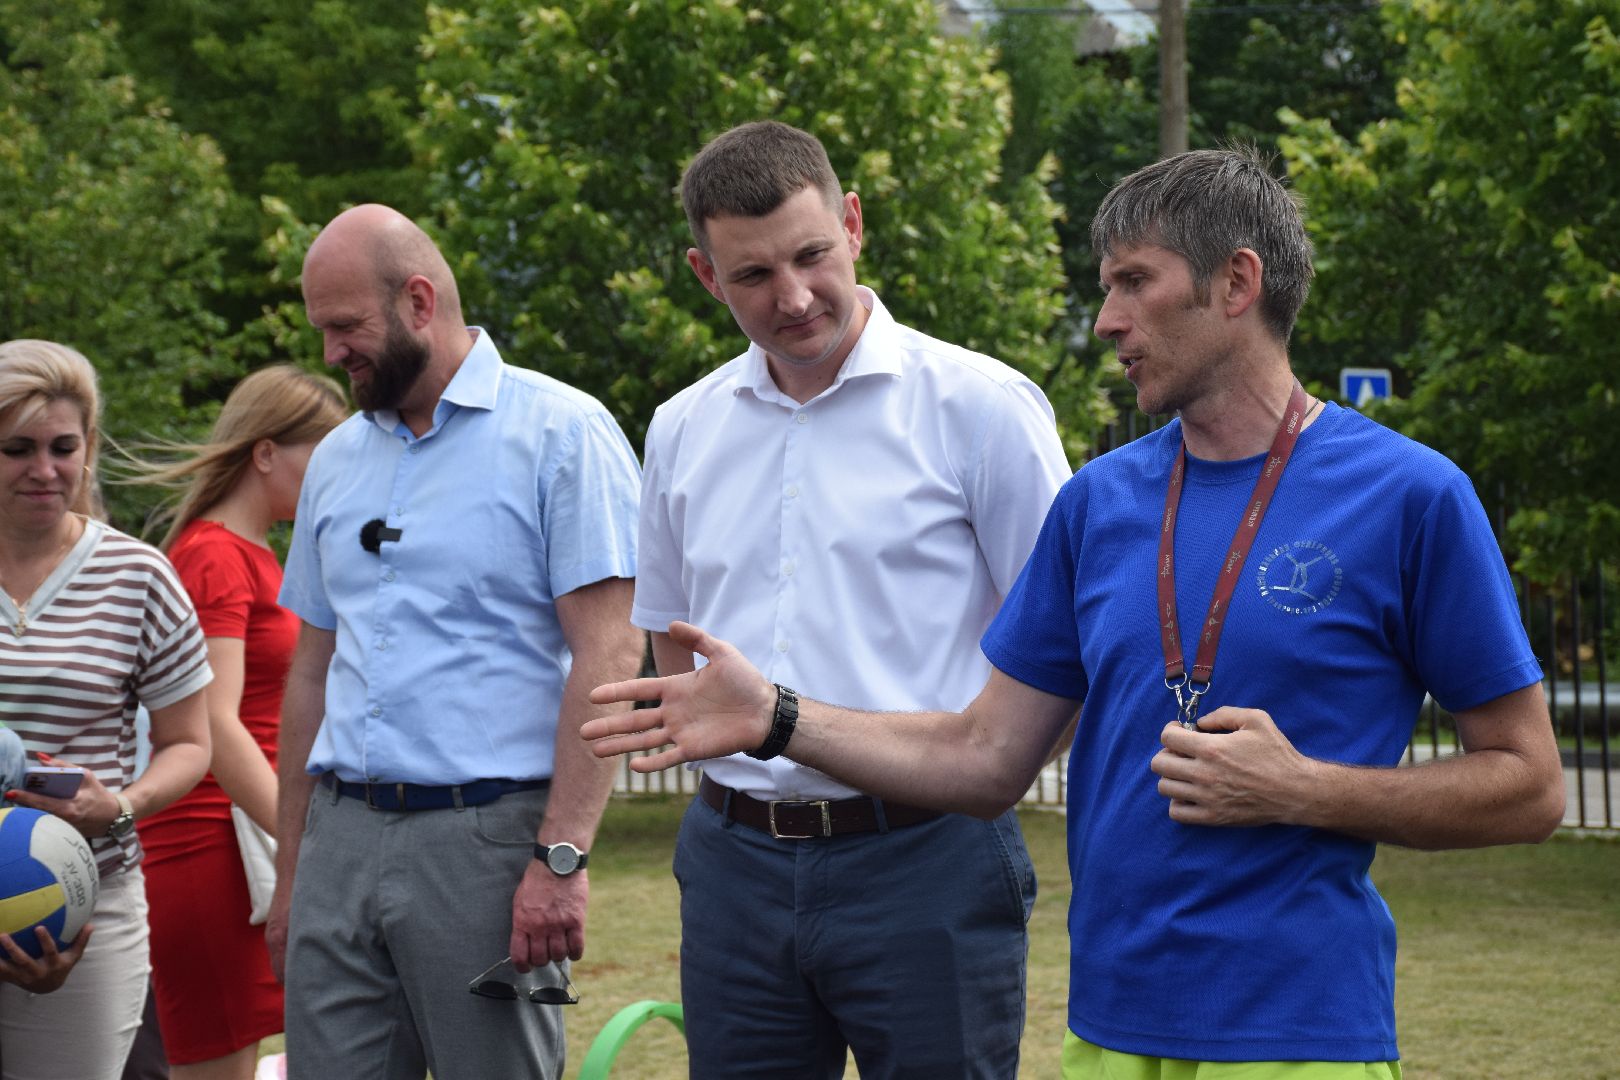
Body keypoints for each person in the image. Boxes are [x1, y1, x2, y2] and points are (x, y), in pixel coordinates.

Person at [583, 148, 1568, 1078]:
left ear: (1236, 283)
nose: (1105, 321)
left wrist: (1307, 789)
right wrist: (776, 716)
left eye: (1133, 283)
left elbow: (1530, 787)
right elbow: (986, 758)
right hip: (1109, 1023)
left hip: (1302, 1023)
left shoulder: (1410, 496)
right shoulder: (1098, 502)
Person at [630, 120, 1071, 1078]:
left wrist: (961, 770)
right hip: (734, 865)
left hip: (928, 860)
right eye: (752, 275)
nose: (792, 297)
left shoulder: (982, 407)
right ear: (706, 276)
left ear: (855, 225)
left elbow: (1067, 650)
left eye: (811, 255)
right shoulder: (680, 427)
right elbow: (673, 640)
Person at [268, 204, 644, 1080]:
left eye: (345, 326)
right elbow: (312, 674)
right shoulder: (335, 460)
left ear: (419, 301)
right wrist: (292, 875)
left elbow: (610, 655)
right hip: (338, 842)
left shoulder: (563, 434)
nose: (330, 352)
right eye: (321, 329)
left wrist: (560, 858)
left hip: (488, 847)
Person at [126, 365, 346, 1080]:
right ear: (265, 452)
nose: (338, 475)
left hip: (247, 842)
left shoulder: (252, 554)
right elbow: (216, 726)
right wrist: (307, 844)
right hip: (212, 848)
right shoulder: (215, 556)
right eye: (324, 455)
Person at [0, 339, 212, 1080]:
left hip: (82, 904)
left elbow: (190, 743)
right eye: (17, 449)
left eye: (63, 447)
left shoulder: (137, 575)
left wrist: (118, 806)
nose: (44, 469)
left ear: (88, 447)